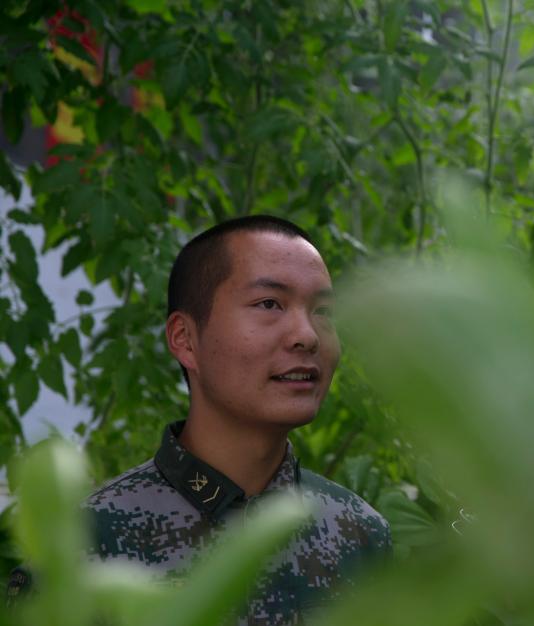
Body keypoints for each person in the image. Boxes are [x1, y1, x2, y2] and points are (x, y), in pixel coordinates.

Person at [7, 216, 391, 624]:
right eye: (269, 304)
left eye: (323, 311)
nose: (307, 335)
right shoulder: (87, 544)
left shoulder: (359, 534)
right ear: (185, 339)